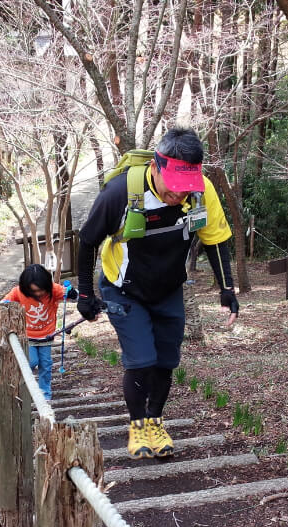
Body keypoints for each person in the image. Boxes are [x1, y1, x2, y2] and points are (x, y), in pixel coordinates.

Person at [76, 127, 239, 460]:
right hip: (124, 290)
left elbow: (216, 240)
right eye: (173, 188)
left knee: (166, 362)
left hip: (168, 289)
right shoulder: (120, 193)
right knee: (141, 362)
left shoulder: (201, 191)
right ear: (156, 167)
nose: (178, 196)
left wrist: (227, 289)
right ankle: (137, 426)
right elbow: (88, 240)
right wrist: (84, 293)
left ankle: (155, 421)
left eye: (185, 190)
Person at [2, 264, 77, 401]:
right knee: (31, 362)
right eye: (34, 291)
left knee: (46, 365)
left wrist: (73, 293)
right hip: (27, 336)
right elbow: (4, 302)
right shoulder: (18, 292)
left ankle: (45, 394)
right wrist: (4, 306)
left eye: (41, 291)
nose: (38, 294)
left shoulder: (53, 289)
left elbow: (71, 294)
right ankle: (23, 389)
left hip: (47, 336)